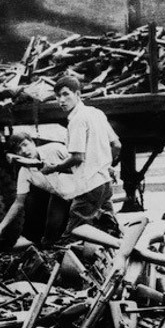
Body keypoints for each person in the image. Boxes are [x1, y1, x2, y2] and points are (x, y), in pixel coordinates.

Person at [42, 75, 121, 237]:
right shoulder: (96, 113)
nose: (61, 100)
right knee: (109, 230)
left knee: (74, 233)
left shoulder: (77, 120)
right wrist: (106, 165)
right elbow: (117, 144)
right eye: (58, 96)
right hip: (104, 183)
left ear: (78, 94)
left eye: (66, 94)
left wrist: (54, 168)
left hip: (89, 186)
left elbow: (78, 157)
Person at [0, 132, 78, 245]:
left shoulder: (55, 149)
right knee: (49, 235)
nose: (24, 151)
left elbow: (81, 162)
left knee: (78, 231)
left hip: (82, 193)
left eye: (25, 144)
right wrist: (1, 226)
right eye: (18, 149)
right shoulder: (24, 172)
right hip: (59, 196)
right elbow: (18, 203)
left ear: (33, 142)